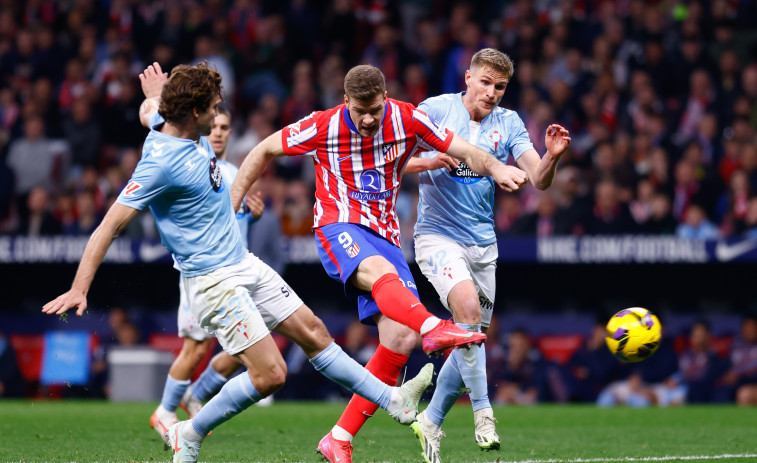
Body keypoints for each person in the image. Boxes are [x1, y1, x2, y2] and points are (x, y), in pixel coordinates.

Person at [42, 62, 435, 463]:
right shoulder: (160, 162)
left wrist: (152, 95)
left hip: (243, 262)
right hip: (212, 279)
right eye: (214, 108)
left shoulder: (169, 119)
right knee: (271, 374)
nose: (219, 118)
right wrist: (80, 287)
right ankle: (188, 432)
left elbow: (150, 111)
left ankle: (392, 401)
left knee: (315, 333)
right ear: (194, 112)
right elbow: (108, 226)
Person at [228, 63, 529, 463]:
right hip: (340, 224)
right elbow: (264, 149)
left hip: (385, 234)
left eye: (374, 109)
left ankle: (338, 437)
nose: (368, 118)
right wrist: (230, 211)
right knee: (392, 289)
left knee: (399, 341)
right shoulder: (324, 125)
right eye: (359, 110)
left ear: (385, 98)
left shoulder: (408, 118)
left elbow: (465, 150)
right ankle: (433, 326)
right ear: (346, 102)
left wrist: (497, 166)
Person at [405, 48, 570, 463]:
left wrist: (550, 157)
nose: (492, 92)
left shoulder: (509, 122)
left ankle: (431, 422)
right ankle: (483, 414)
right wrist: (426, 163)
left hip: (483, 245)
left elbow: (538, 179)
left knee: (470, 341)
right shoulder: (436, 110)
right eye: (485, 83)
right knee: (465, 312)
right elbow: (391, 159)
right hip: (436, 237)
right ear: (468, 78)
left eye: (500, 86)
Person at [149, 105, 266, 437]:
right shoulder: (194, 163)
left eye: (225, 127)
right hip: (203, 272)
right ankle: (166, 410)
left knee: (244, 347)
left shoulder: (234, 172)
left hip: (235, 271)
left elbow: (234, 222)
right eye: (213, 126)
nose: (217, 132)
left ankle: (196, 394)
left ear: (231, 133)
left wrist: (251, 217)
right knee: (196, 347)